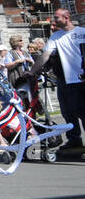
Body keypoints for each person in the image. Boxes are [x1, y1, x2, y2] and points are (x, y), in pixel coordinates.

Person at [28, 8, 85, 153]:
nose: (54, 21)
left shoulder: (82, 33)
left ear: (67, 17)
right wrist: (32, 71)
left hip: (81, 79)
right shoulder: (56, 37)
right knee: (67, 112)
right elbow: (45, 56)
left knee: (83, 111)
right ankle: (74, 140)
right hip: (64, 80)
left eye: (56, 18)